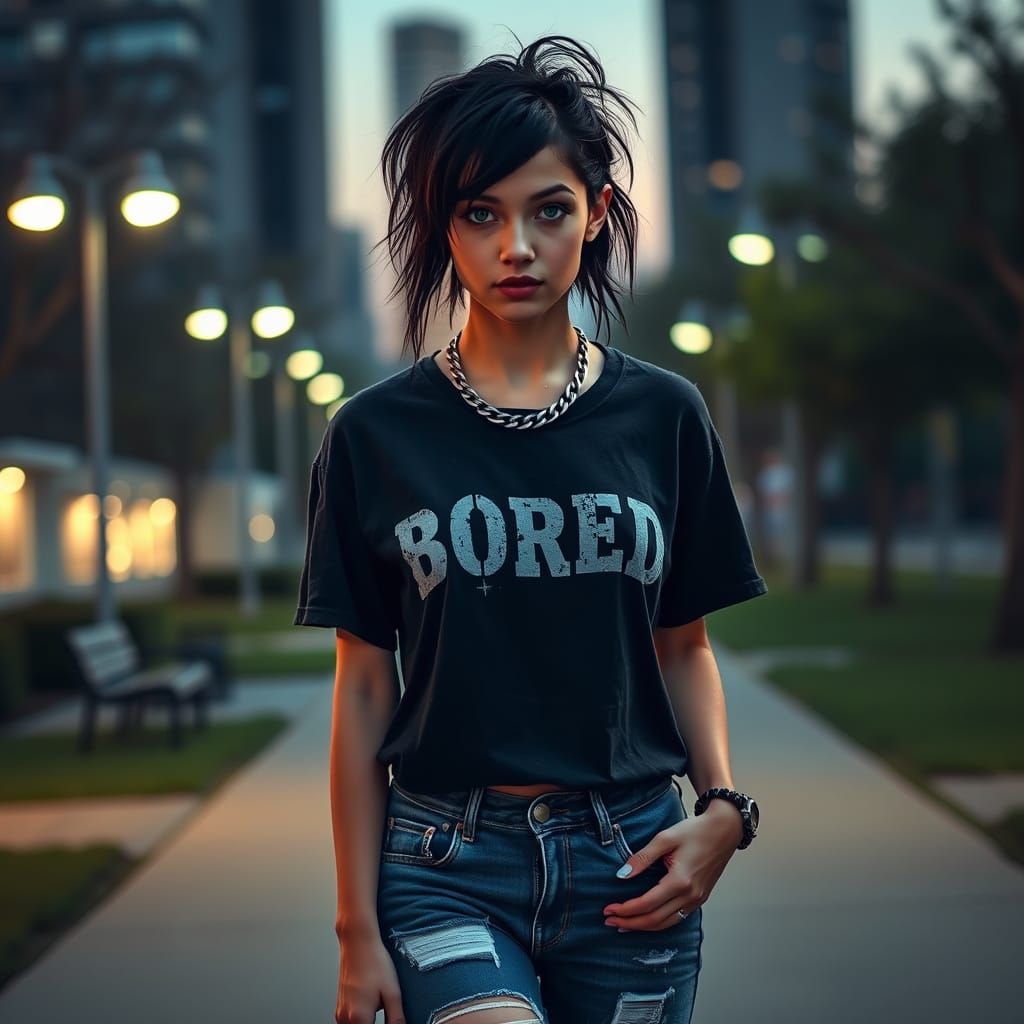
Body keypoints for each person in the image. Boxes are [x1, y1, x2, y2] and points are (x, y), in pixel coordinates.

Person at [294, 33, 768, 1024]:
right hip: (444, 859)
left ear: (595, 214)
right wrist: (354, 932)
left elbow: (683, 645)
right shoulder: (374, 433)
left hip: (631, 854)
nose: (517, 246)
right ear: (444, 229)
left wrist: (723, 808)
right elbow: (365, 682)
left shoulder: (665, 415)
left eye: (548, 209)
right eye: (481, 214)